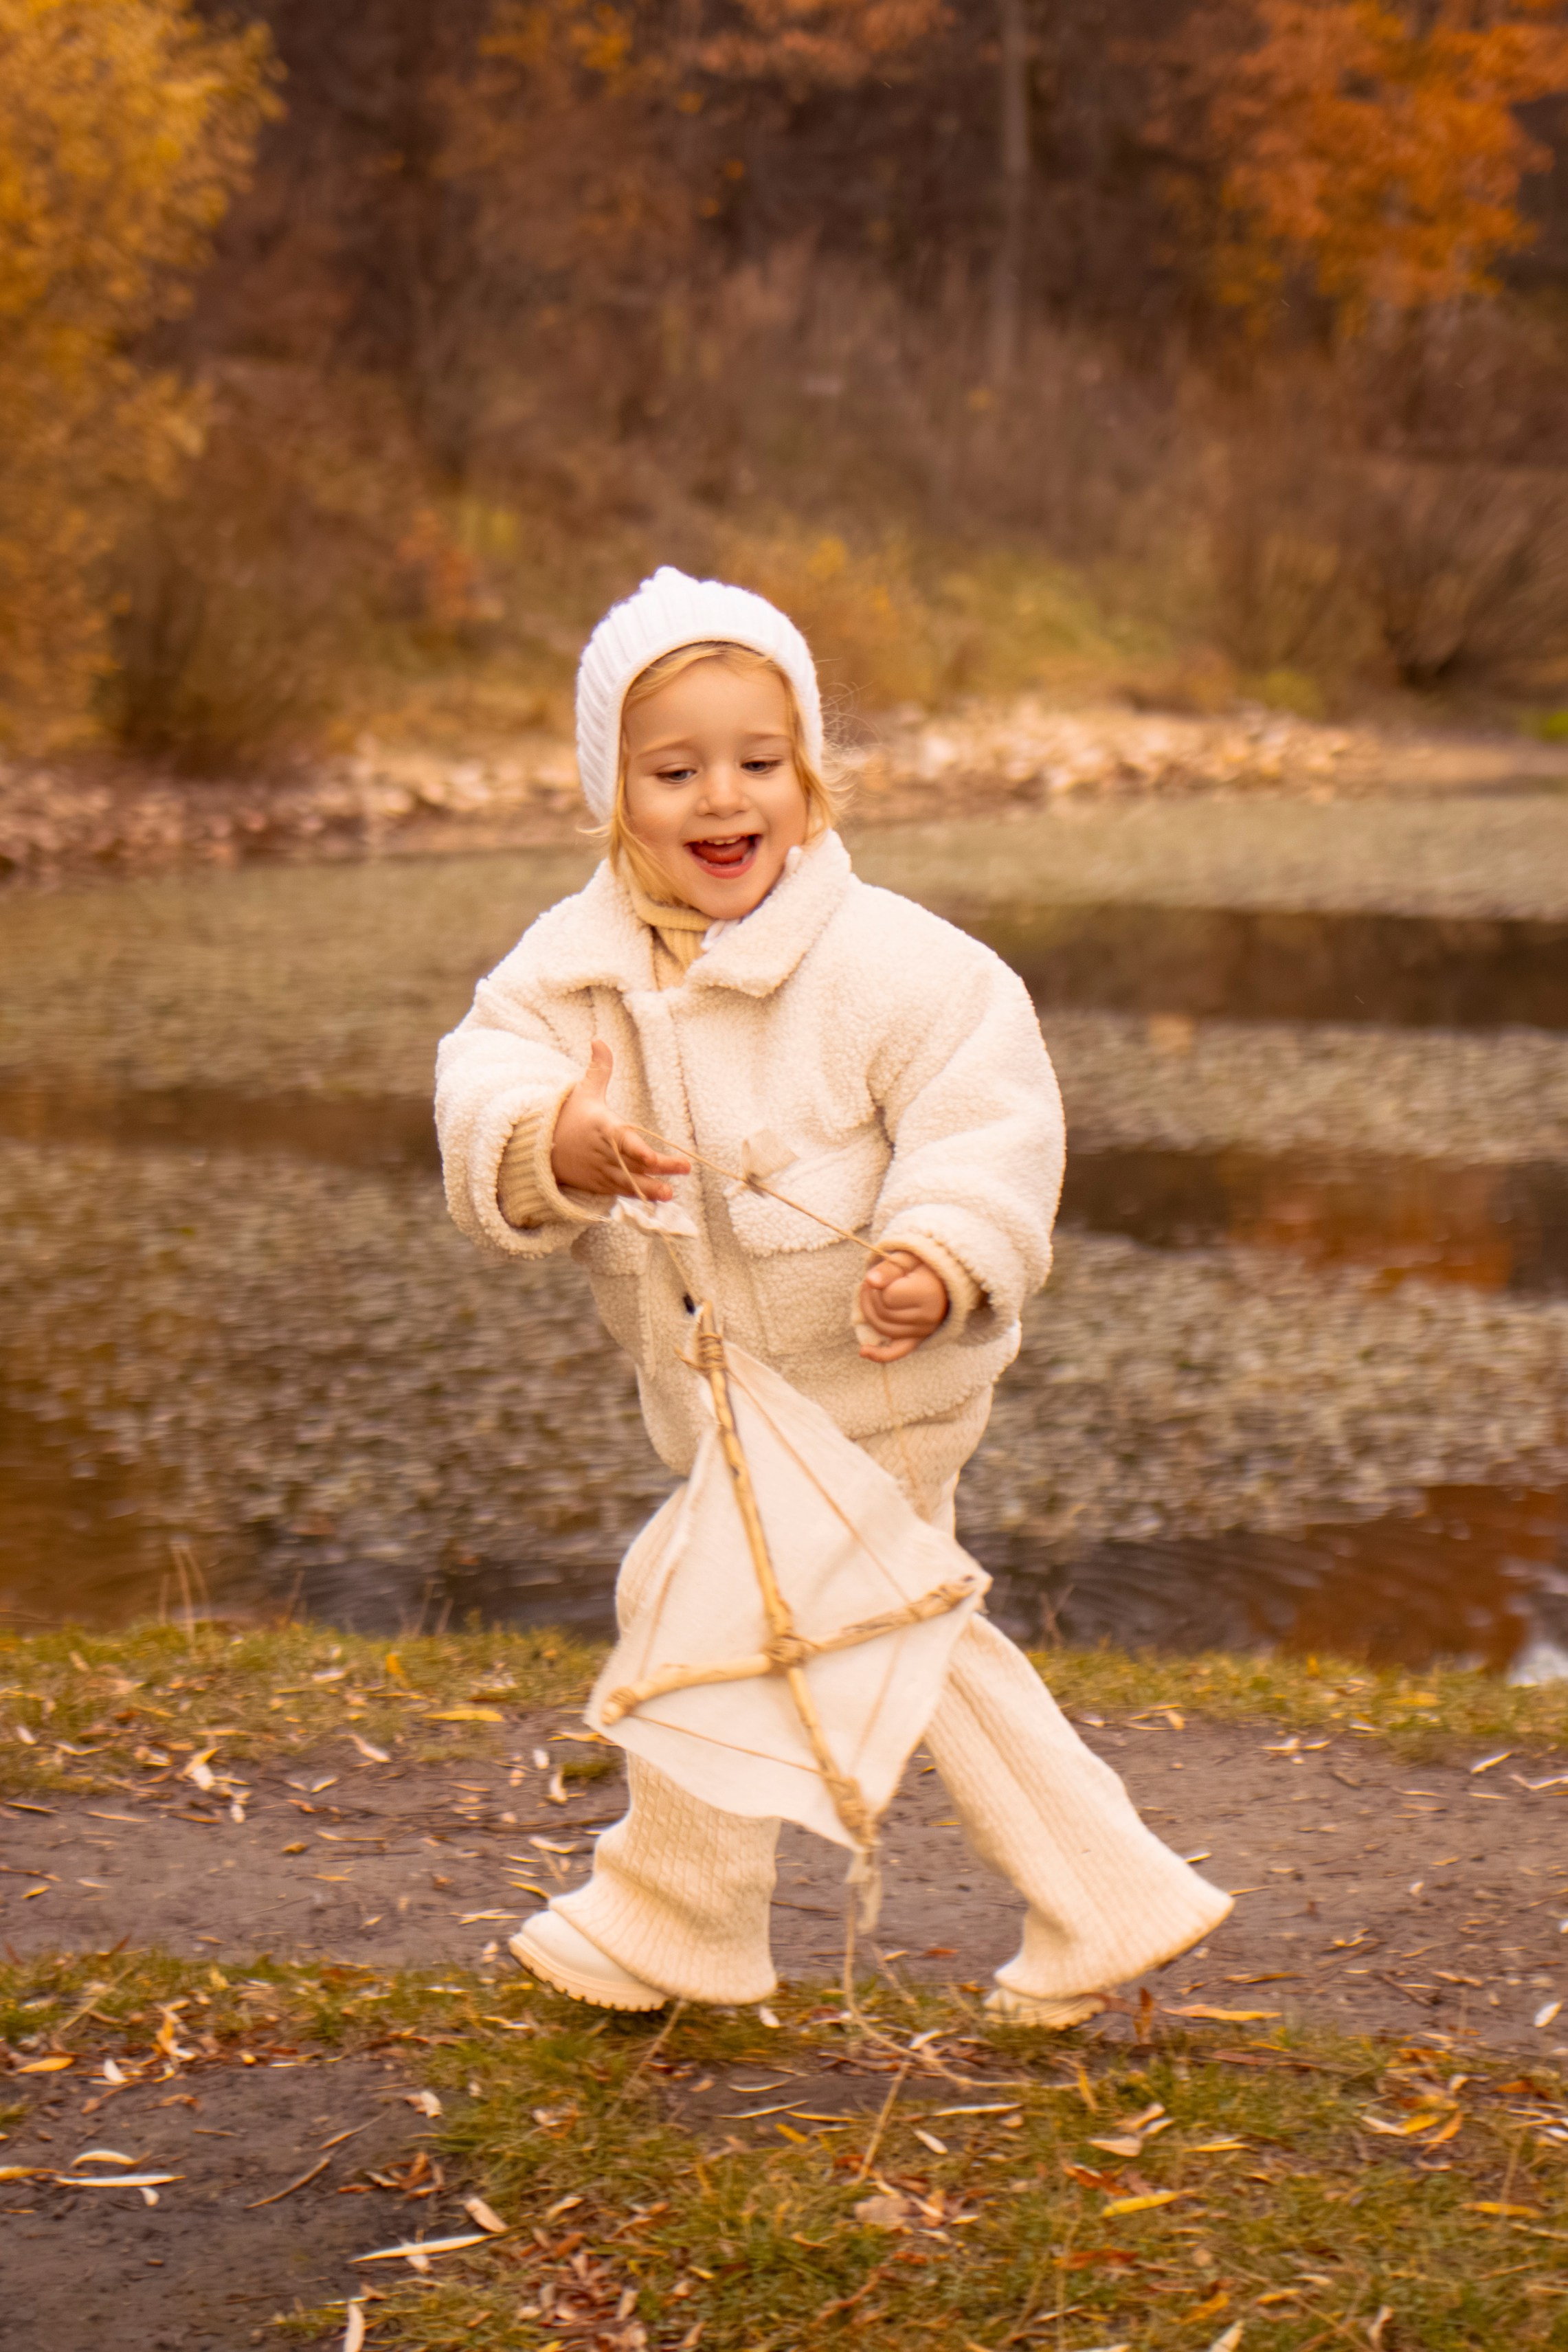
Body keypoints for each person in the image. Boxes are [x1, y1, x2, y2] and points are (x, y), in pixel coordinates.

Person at [436, 565, 1231, 2020]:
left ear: (812, 773)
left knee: (689, 1592)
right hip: (724, 1393)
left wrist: (937, 1255)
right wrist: (559, 1138)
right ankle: (1108, 1895)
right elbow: (480, 1081)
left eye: (760, 761)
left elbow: (988, 1122)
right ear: (611, 789)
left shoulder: (901, 967)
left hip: (880, 1378)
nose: (722, 797)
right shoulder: (568, 972)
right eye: (675, 769)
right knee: (911, 1628)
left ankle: (677, 1914)